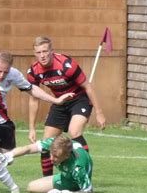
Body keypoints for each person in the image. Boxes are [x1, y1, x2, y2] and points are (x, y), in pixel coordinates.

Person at [0, 51, 75, 193]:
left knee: (8, 158)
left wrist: (55, 100)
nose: (1, 75)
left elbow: (32, 89)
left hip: (3, 123)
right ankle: (13, 188)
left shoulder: (14, 74)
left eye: (5, 72)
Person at [27, 36, 106, 177]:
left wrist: (99, 113)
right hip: (59, 102)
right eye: (38, 52)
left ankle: (84, 172)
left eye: (45, 51)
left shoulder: (66, 65)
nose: (42, 55)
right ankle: (48, 181)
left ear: (52, 51)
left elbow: (87, 86)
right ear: (34, 54)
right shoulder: (33, 72)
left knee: (74, 132)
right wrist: (32, 128)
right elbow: (34, 99)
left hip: (79, 99)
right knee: (46, 144)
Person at [0, 134, 93, 193]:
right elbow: (29, 148)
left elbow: (88, 191)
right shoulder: (55, 143)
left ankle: (67, 187)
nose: (51, 158)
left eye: (56, 156)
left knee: (34, 187)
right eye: (51, 154)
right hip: (66, 175)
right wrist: (8, 156)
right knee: (31, 186)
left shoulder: (78, 167)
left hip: (74, 181)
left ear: (67, 155)